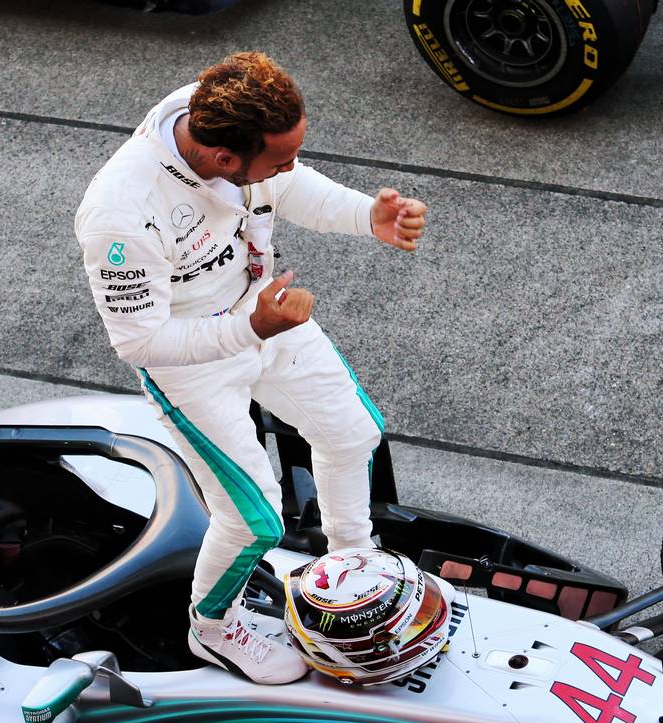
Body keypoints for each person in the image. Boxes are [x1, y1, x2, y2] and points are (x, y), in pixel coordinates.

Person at [75, 52, 428, 684]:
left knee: (354, 434)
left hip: (262, 315)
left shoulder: (214, 114)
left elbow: (288, 185)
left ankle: (352, 562)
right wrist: (250, 327)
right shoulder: (118, 216)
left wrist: (365, 216)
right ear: (223, 160)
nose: (291, 167)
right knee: (252, 519)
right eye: (280, 157)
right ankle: (211, 629)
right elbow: (141, 342)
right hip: (192, 365)